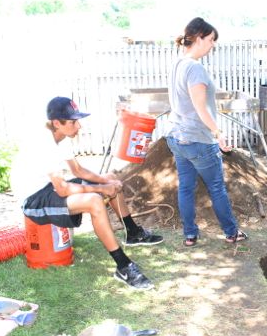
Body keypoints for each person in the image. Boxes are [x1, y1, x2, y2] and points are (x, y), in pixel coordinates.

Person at [15, 96, 163, 290]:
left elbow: (78, 171)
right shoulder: (44, 144)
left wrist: (107, 181)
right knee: (94, 200)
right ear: (56, 123)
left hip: (48, 188)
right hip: (34, 200)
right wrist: (102, 189)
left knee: (108, 177)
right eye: (73, 122)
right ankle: (123, 266)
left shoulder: (60, 136)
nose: (79, 126)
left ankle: (133, 233)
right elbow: (63, 189)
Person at [165, 17, 247, 247]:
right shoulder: (195, 68)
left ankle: (190, 235)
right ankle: (231, 232)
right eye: (211, 40)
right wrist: (218, 134)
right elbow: (200, 107)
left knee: (186, 187)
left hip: (177, 137)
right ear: (199, 38)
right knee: (217, 188)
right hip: (198, 139)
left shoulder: (178, 63)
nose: (213, 45)